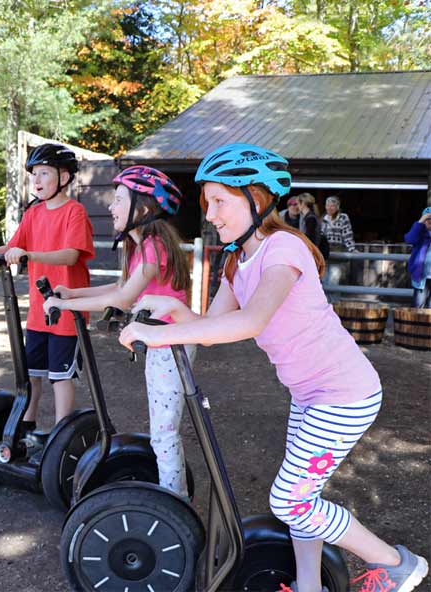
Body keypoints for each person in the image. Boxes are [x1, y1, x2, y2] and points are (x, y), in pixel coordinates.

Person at [119, 143, 429, 592]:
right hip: (309, 395)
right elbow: (209, 329)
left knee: (289, 500)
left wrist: (160, 336)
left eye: (220, 201)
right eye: (208, 203)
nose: (211, 214)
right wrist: (169, 307)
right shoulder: (236, 259)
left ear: (257, 199)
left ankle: (395, 563)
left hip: (345, 395)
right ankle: (309, 586)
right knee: (303, 500)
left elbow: (252, 320)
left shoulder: (283, 249)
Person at [42, 165, 195, 498]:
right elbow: (122, 286)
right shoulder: (141, 247)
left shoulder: (154, 246)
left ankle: (174, 501)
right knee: (162, 430)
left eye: (119, 199)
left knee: (164, 432)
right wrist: (72, 294)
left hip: (173, 344)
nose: (111, 207)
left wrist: (64, 307)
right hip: (161, 342)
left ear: (141, 208)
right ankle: (171, 494)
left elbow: (124, 299)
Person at [0, 143, 94, 429]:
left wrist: (29, 255)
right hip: (39, 312)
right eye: (33, 174)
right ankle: (26, 425)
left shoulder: (75, 213)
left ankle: (61, 434)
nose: (36, 181)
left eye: (44, 173)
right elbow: (13, 247)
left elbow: (71, 254)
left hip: (66, 312)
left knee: (60, 376)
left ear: (63, 177)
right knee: (31, 374)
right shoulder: (33, 213)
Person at [404, 206, 431, 309]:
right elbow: (409, 239)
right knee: (418, 307)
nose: (429, 222)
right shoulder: (420, 234)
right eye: (427, 220)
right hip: (421, 278)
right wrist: (421, 221)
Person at [297, 192, 330, 261]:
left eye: (298, 204)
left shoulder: (310, 218)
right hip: (312, 252)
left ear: (303, 203)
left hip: (312, 253)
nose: (297, 206)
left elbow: (310, 238)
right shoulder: (309, 217)